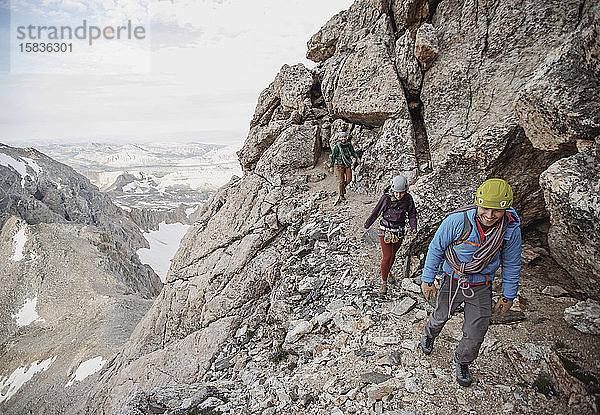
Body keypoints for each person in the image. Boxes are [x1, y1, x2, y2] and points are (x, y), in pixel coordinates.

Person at [419, 178, 522, 387]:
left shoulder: (510, 230)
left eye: (497, 211)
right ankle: (430, 334)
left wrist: (508, 294)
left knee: (476, 331)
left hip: (482, 284)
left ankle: (463, 361)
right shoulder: (457, 221)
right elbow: (436, 247)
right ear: (477, 202)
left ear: (506, 210)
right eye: (485, 208)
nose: (490, 216)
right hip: (453, 279)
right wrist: (427, 279)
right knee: (440, 315)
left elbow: (512, 263)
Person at [364, 175, 417, 294]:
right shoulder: (386, 198)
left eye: (401, 193)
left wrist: (414, 226)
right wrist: (367, 224)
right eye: (397, 193)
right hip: (386, 230)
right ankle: (384, 282)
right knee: (387, 256)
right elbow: (376, 211)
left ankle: (387, 272)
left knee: (393, 255)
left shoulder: (408, 199)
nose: (399, 196)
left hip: (399, 231)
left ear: (406, 190)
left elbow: (412, 214)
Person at [329, 131, 360, 204]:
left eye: (344, 137)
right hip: (340, 164)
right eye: (342, 137)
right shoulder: (337, 146)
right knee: (341, 180)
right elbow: (333, 156)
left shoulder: (348, 145)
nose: (343, 138)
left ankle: (343, 188)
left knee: (349, 179)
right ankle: (341, 194)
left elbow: (353, 152)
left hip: (347, 163)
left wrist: (357, 157)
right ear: (339, 138)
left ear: (346, 138)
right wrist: (331, 166)